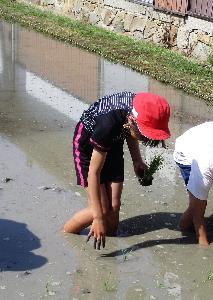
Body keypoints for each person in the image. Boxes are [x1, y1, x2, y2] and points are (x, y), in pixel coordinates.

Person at [64, 92, 171, 249]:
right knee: (102, 208)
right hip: (88, 146)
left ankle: (111, 242)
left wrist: (137, 160)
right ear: (132, 121)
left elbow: (130, 132)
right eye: (145, 135)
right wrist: (98, 218)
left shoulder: (139, 108)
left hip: (113, 143)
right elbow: (94, 172)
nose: (146, 140)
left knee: (114, 206)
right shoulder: (108, 123)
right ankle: (66, 235)